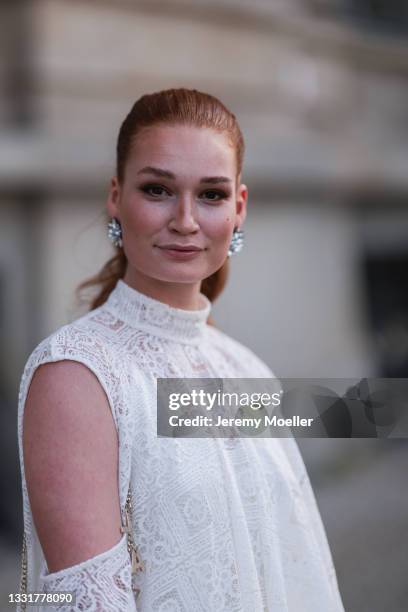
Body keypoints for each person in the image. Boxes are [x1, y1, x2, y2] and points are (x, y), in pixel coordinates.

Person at [17, 88, 345, 611]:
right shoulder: (77, 374)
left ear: (239, 207)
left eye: (211, 195)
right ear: (116, 196)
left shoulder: (245, 368)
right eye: (158, 190)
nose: (186, 220)